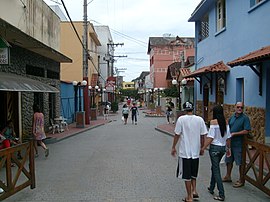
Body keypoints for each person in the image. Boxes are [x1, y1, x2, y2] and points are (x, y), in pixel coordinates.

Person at [171, 101, 207, 202]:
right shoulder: (199, 119)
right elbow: (203, 135)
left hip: (185, 152)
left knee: (186, 176)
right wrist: (202, 147)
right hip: (195, 152)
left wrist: (173, 147)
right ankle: (194, 190)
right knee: (193, 173)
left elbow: (177, 134)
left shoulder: (181, 119)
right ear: (193, 109)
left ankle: (189, 197)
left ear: (184, 109)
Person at [200, 105, 231, 201]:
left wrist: (203, 148)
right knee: (214, 166)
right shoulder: (226, 122)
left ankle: (221, 194)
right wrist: (228, 148)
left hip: (214, 148)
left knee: (216, 169)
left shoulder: (213, 122)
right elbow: (228, 137)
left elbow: (210, 137)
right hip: (222, 148)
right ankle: (211, 187)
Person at [222, 102, 251, 188]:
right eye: (238, 107)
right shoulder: (232, 117)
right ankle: (228, 176)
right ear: (235, 107)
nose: (239, 109)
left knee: (240, 162)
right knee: (229, 160)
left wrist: (235, 133)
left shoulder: (245, 118)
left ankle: (241, 180)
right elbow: (228, 127)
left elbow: (246, 130)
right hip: (230, 143)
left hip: (239, 144)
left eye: (241, 107)